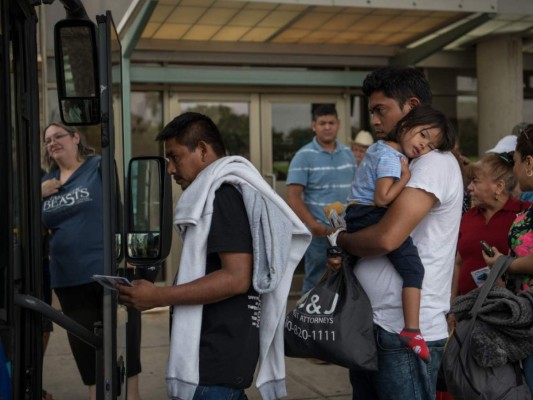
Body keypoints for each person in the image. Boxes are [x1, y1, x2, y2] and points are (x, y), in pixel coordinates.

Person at [116, 112, 311, 400]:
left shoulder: (223, 196)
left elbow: (236, 278)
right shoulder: (222, 194)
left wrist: (159, 297)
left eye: (175, 157)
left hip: (213, 365)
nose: (170, 169)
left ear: (203, 150)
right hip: (220, 362)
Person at [327, 66, 463, 400]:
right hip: (373, 322)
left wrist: (339, 240)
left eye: (380, 109)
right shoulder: (400, 158)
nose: (374, 120)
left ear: (412, 106)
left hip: (401, 332)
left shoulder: (434, 163)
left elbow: (387, 238)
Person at [344, 104, 455, 363]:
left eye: (429, 145)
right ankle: (413, 330)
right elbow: (382, 199)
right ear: (408, 122)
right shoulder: (391, 158)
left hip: (359, 214)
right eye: (423, 135)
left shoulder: (382, 150)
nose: (423, 146)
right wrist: (406, 176)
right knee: (413, 269)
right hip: (369, 213)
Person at [41, 122, 142, 400]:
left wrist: (127, 251)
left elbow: (118, 205)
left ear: (75, 137)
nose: (52, 143)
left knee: (125, 335)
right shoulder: (45, 183)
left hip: (106, 269)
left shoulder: (98, 165)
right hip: (68, 278)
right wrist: (39, 194)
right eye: (47, 140)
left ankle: (132, 394)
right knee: (84, 346)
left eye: (58, 136)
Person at [483, 124, 533, 394]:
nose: (512, 170)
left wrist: (506, 263)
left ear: (529, 163)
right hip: (524, 322)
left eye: (514, 162)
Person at [286, 104, 356, 294]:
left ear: (338, 124)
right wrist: (313, 226)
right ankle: (308, 322)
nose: (327, 127)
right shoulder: (303, 156)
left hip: (345, 231)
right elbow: (293, 196)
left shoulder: (348, 154)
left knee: (346, 278)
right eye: (322, 123)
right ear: (314, 126)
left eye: (331, 122)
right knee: (316, 279)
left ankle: (337, 321)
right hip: (319, 232)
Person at [450, 153, 529, 306]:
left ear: (498, 187)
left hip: (508, 310)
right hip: (467, 311)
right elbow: (459, 262)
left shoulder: (524, 215)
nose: (469, 188)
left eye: (475, 181)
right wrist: (453, 303)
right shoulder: (469, 216)